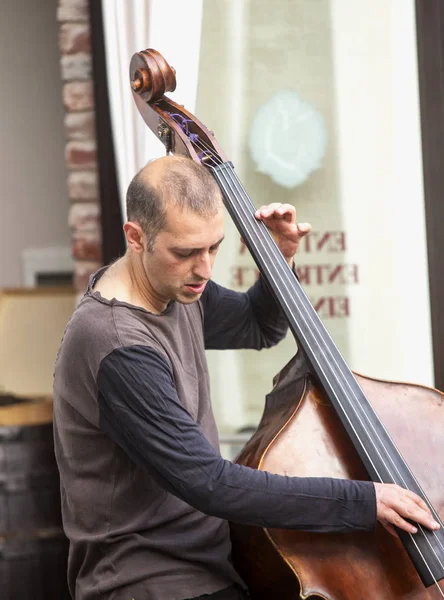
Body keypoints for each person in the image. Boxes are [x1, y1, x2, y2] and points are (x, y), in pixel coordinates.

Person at [53, 155, 439, 600]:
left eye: (214, 247)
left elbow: (258, 325)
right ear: (136, 237)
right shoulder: (117, 346)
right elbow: (209, 482)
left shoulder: (176, 289)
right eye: (186, 253)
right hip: (147, 579)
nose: (204, 269)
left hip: (210, 564)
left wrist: (276, 260)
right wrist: (364, 501)